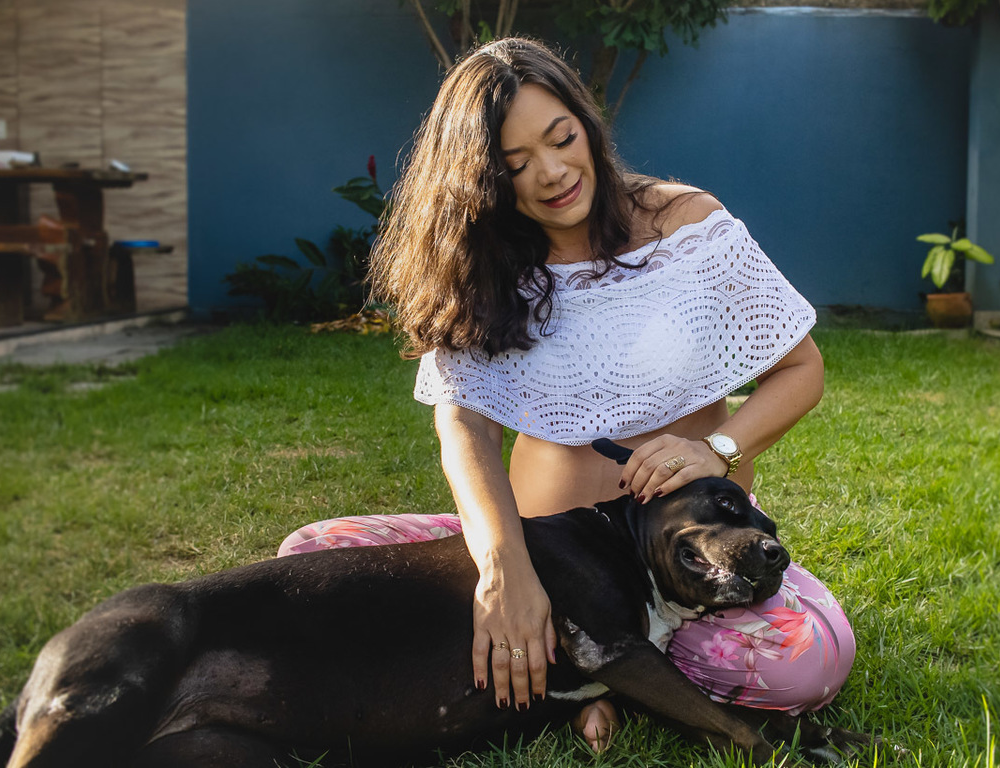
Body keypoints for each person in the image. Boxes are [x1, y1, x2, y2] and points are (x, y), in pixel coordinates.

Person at [278, 37, 854, 752]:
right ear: (481, 180)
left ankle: (593, 671)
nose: (552, 174)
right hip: (546, 561)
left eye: (562, 139)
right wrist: (503, 569)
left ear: (587, 123)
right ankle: (589, 661)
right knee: (311, 556)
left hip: (692, 560)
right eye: (515, 165)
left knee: (804, 666)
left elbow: (801, 369)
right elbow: (464, 424)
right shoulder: (483, 267)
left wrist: (717, 448)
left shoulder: (686, 225)